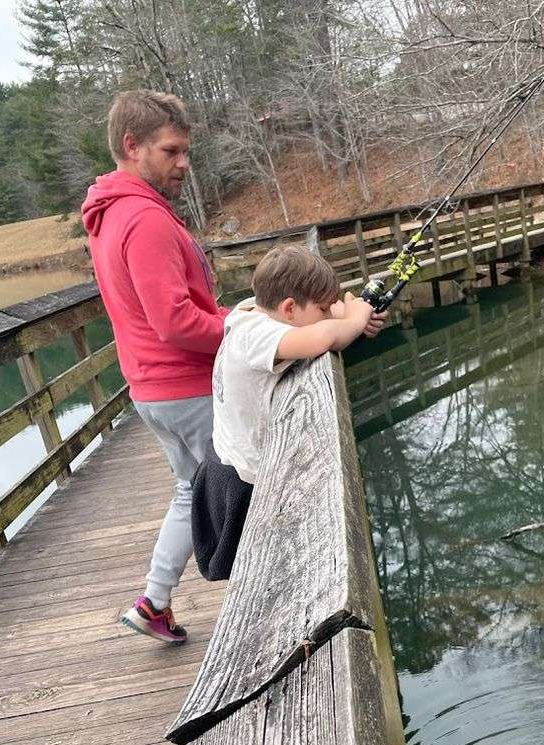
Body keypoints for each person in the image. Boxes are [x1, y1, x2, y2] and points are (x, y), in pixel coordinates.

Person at [82, 89, 229, 644]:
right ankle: (265, 612)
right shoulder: (144, 219)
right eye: (171, 151)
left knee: (193, 489)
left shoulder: (110, 214)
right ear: (132, 146)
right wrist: (243, 333)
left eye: (185, 151)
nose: (184, 163)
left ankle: (153, 602)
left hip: (152, 390)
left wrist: (230, 316)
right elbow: (175, 322)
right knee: (244, 490)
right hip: (187, 388)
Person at [191, 243, 385, 579]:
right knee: (256, 573)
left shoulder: (250, 312)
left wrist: (354, 316)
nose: (328, 314)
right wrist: (354, 320)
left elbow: (332, 316)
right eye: (322, 308)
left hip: (229, 461)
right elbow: (323, 338)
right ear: (290, 308)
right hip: (240, 480)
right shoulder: (257, 337)